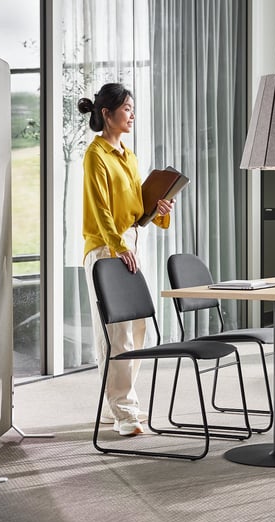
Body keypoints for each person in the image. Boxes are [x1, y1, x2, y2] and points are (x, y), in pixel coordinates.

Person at [78, 83, 175, 437]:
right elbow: (100, 209)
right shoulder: (96, 155)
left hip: (133, 242)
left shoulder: (129, 156)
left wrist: (161, 209)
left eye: (133, 108)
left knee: (138, 329)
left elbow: (138, 208)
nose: (132, 114)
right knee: (117, 334)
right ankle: (125, 411)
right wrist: (118, 246)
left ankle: (116, 404)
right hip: (107, 249)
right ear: (107, 113)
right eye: (127, 108)